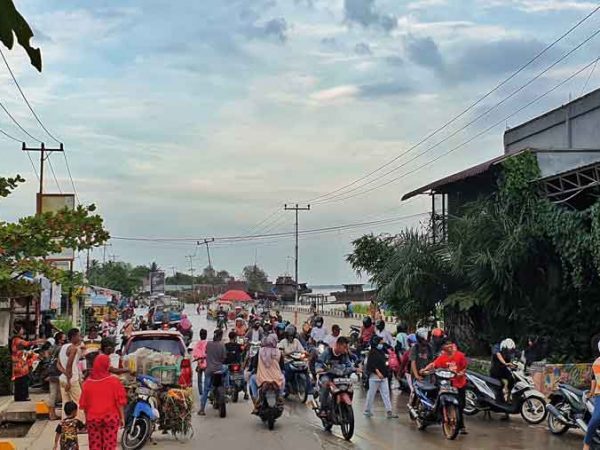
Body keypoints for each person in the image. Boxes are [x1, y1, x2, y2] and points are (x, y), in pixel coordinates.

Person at [79, 354, 127, 450]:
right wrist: (122, 417)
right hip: (110, 418)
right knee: (109, 445)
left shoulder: (87, 383)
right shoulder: (114, 381)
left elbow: (84, 405)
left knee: (95, 445)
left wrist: (87, 419)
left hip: (93, 419)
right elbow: (119, 402)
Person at [425, 336, 468, 434]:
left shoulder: (460, 356)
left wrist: (460, 373)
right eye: (446, 346)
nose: (448, 348)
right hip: (447, 383)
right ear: (443, 348)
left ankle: (461, 425)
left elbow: (464, 368)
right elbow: (433, 364)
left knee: (461, 405)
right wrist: (425, 369)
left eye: (450, 346)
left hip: (460, 384)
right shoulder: (442, 357)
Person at [316, 336, 353, 417]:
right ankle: (323, 409)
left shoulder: (344, 354)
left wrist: (353, 369)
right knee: (325, 384)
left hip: (340, 377)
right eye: (344, 347)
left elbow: (349, 365)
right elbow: (319, 362)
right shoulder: (327, 352)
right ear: (338, 345)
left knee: (350, 386)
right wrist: (319, 369)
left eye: (347, 347)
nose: (346, 349)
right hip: (328, 376)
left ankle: (344, 407)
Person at [249, 334, 285, 414]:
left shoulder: (260, 351)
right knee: (283, 378)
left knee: (252, 379)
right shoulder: (278, 352)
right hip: (276, 379)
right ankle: (280, 395)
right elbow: (282, 367)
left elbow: (254, 364)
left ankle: (256, 398)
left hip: (262, 379)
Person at [364, 336, 398, 419]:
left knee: (386, 394)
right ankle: (367, 410)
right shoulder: (372, 352)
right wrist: (378, 373)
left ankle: (389, 411)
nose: (381, 344)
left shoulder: (381, 351)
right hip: (374, 377)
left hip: (383, 376)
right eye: (380, 343)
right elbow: (372, 365)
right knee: (371, 394)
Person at [10, 325, 45, 401]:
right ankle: (22, 397)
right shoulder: (17, 340)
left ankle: (20, 397)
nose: (23, 331)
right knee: (22, 381)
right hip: (20, 364)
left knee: (20, 381)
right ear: (18, 331)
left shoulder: (15, 340)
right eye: (21, 330)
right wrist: (37, 341)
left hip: (19, 363)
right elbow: (27, 344)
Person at [199, 329, 227, 416]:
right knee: (226, 371)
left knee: (206, 390)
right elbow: (224, 358)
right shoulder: (222, 345)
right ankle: (227, 386)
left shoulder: (209, 344)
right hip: (219, 369)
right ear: (220, 336)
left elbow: (206, 353)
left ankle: (202, 409)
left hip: (209, 370)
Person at [58, 328, 85, 421]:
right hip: (71, 380)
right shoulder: (72, 348)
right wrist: (69, 380)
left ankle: (65, 424)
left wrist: (65, 373)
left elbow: (58, 364)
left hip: (62, 379)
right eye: (78, 335)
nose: (80, 337)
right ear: (73, 337)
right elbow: (69, 365)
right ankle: (80, 424)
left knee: (65, 403)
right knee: (79, 402)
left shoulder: (63, 347)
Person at [490, 338, 518, 404]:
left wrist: (515, 364)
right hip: (496, 369)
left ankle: (509, 397)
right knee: (499, 385)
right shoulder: (496, 347)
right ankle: (498, 402)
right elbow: (498, 355)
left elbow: (514, 357)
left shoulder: (511, 350)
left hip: (504, 369)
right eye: (507, 350)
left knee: (512, 380)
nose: (509, 351)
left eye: (510, 350)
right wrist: (505, 363)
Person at [584, 341, 600, 450]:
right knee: (596, 418)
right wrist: (592, 392)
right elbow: (597, 379)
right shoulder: (597, 363)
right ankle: (587, 443)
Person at [48, 332, 66, 420]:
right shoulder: (60, 348)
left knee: (54, 392)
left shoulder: (52, 347)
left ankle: (52, 413)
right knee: (55, 393)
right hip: (56, 371)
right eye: (63, 337)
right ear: (60, 339)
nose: (65, 338)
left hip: (52, 371)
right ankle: (52, 414)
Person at [192, 328, 208, 402]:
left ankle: (201, 393)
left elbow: (194, 354)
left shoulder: (197, 344)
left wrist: (198, 359)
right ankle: (206, 391)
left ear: (200, 335)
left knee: (199, 380)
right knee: (207, 379)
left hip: (199, 363)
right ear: (206, 335)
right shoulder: (208, 343)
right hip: (207, 363)